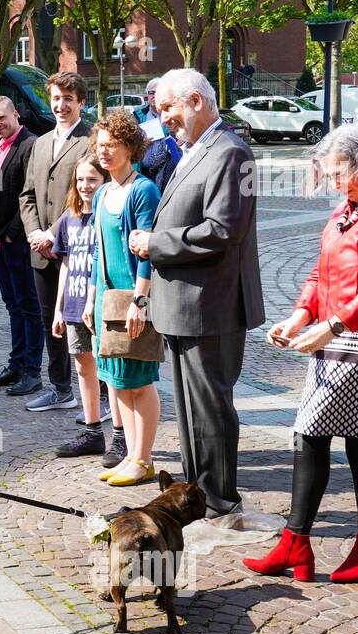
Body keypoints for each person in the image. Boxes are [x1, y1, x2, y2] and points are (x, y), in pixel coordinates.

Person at [244, 126, 358, 583]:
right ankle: (301, 542)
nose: (335, 183)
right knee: (323, 434)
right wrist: (301, 314)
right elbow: (321, 270)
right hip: (341, 331)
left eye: (340, 173)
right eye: (329, 176)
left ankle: (347, 542)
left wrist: (333, 323)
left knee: (345, 436)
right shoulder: (350, 207)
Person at [129, 67, 265, 516]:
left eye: (167, 106)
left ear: (196, 102)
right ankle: (200, 500)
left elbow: (223, 230)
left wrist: (155, 243)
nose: (160, 115)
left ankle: (221, 502)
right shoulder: (192, 150)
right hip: (184, 305)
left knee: (210, 411)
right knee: (189, 412)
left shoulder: (231, 152)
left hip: (212, 305)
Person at [84, 112, 162, 486]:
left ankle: (143, 459)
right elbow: (100, 252)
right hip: (107, 300)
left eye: (111, 145)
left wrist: (140, 302)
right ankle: (130, 454)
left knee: (138, 381)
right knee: (116, 381)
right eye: (99, 145)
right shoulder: (102, 192)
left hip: (132, 299)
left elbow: (147, 252)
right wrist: (91, 299)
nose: (103, 151)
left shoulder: (143, 190)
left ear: (129, 147)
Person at [19, 70, 92, 413]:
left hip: (75, 247)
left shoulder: (90, 141)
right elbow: (27, 194)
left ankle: (99, 395)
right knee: (53, 321)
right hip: (41, 250)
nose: (60, 105)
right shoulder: (40, 143)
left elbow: (85, 194)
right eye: (56, 99)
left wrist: (53, 233)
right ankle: (61, 388)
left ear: (80, 102)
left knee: (83, 321)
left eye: (68, 99)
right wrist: (35, 232)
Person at [52, 154, 125, 461]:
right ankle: (93, 430)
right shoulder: (69, 217)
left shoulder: (108, 214)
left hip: (101, 305)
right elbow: (66, 265)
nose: (85, 185)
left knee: (110, 372)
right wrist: (59, 308)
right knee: (84, 367)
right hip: (74, 302)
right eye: (80, 179)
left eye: (92, 180)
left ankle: (121, 436)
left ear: (104, 180)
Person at [0, 96, 42, 396]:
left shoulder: (29, 145)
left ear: (15, 114)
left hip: (16, 241)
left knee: (28, 305)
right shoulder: (0, 148)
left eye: (1, 118)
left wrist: (12, 233)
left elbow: (31, 195)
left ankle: (32, 371)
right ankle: (16, 364)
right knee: (13, 305)